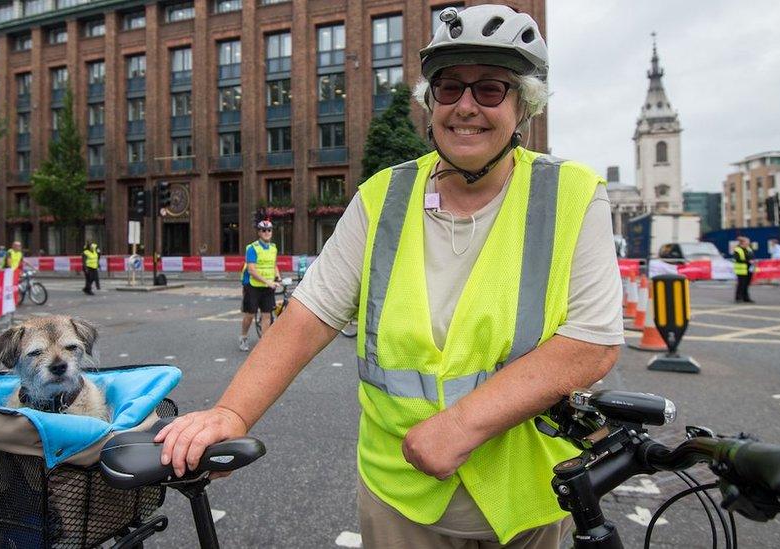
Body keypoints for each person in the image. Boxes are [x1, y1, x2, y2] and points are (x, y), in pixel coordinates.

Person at [156, 5, 622, 548]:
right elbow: (310, 314)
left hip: (528, 495)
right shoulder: (383, 195)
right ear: (430, 104)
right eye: (449, 89)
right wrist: (232, 412)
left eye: (490, 90)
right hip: (401, 494)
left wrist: (461, 424)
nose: (465, 107)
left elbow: (591, 343)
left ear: (523, 107)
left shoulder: (572, 193)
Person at [238, 219, 279, 351]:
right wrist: (268, 282)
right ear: (259, 232)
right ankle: (243, 337)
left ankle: (264, 341)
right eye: (263, 230)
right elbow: (251, 270)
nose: (267, 232)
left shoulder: (273, 248)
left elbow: (273, 265)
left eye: (269, 230)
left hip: (268, 287)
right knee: (250, 314)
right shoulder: (252, 248)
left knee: (267, 314)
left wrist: (277, 276)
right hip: (253, 286)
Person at [732, 236, 755, 303]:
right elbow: (737, 259)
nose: (748, 243)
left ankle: (746, 298)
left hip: (749, 269)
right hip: (741, 270)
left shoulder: (749, 249)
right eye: (747, 242)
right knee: (741, 284)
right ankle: (738, 298)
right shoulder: (737, 249)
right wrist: (748, 261)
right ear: (743, 242)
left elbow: (752, 256)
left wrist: (753, 261)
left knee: (747, 284)